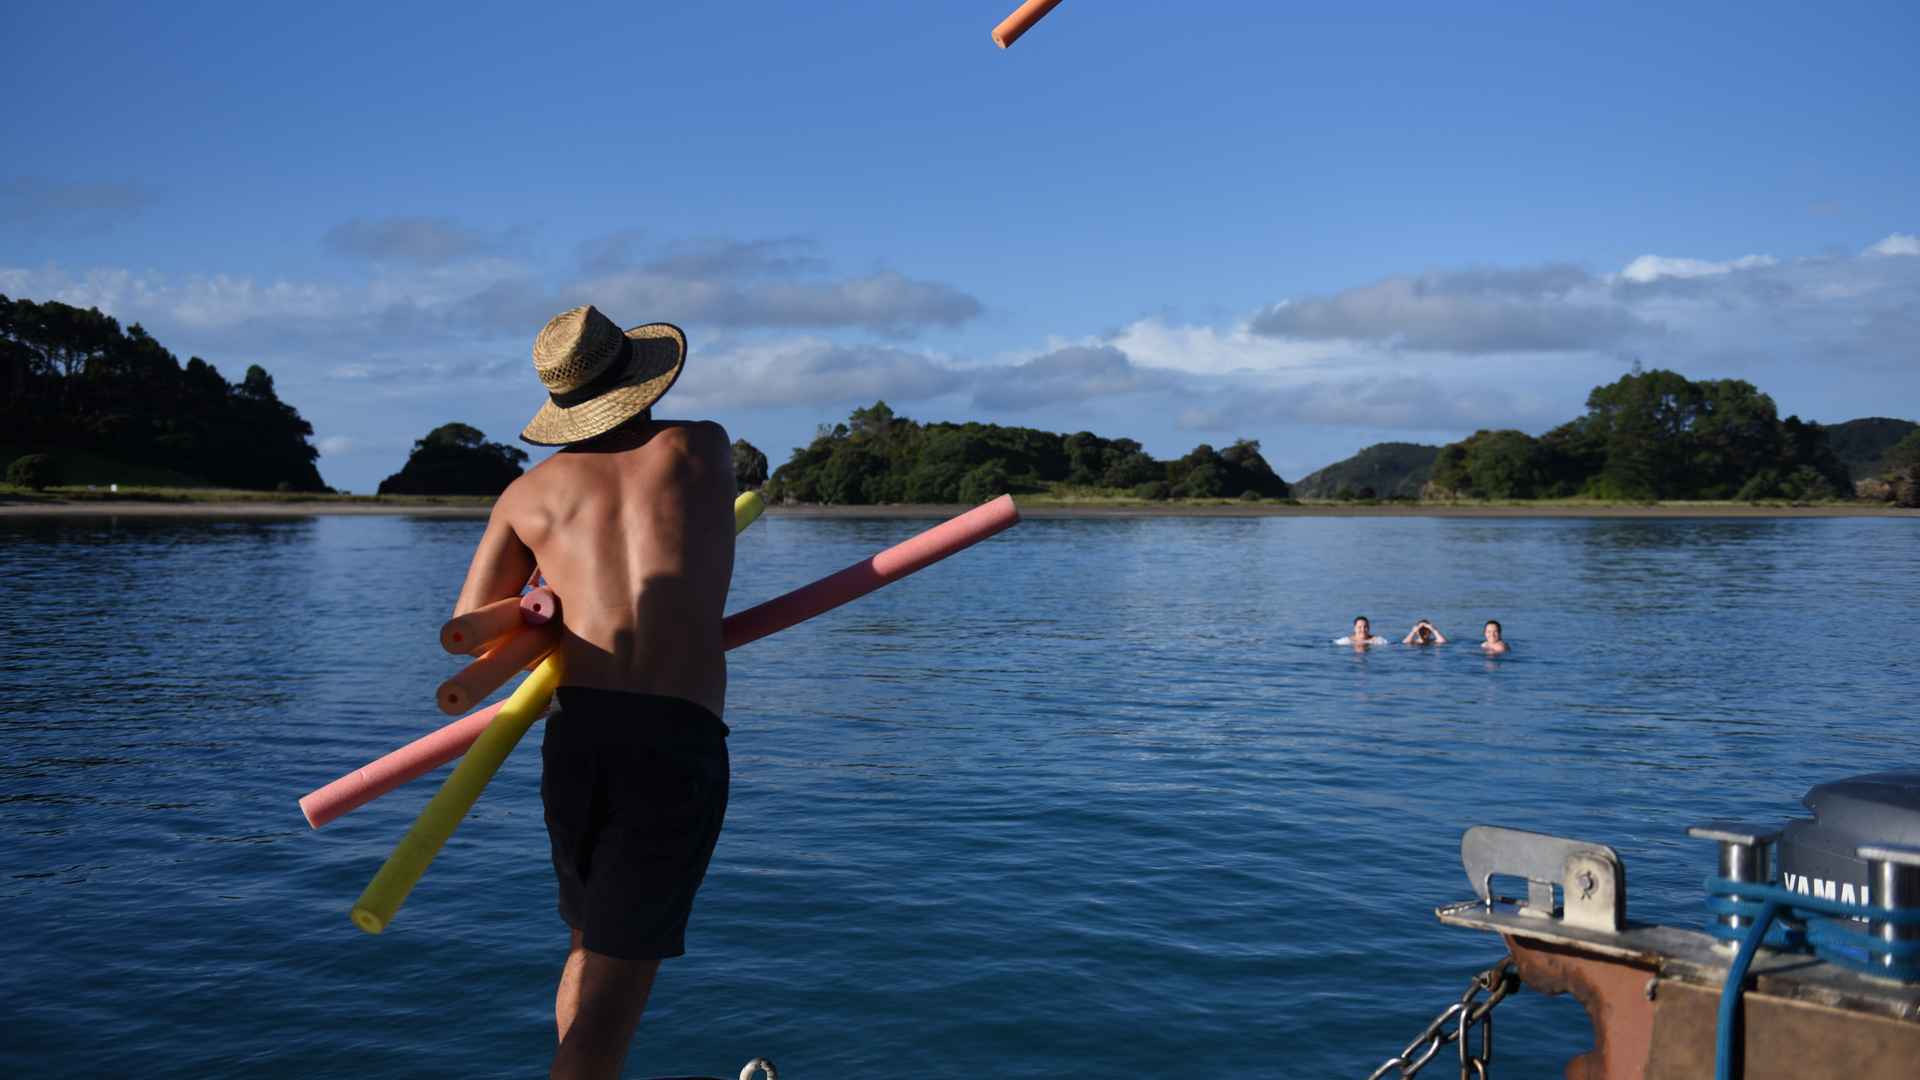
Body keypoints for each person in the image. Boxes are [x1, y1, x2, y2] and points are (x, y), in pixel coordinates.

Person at [450, 305, 737, 1079]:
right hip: (673, 741)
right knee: (616, 998)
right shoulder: (703, 448)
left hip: (577, 736)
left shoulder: (525, 497)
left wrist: (551, 592)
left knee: (589, 950)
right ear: (640, 381)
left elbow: (469, 627)